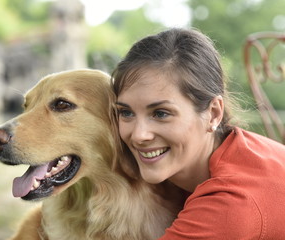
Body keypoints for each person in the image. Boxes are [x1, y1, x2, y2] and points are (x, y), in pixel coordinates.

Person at [111, 28, 285, 239]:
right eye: (126, 112)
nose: (139, 135)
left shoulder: (230, 202)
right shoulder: (234, 149)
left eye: (161, 113)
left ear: (213, 114)